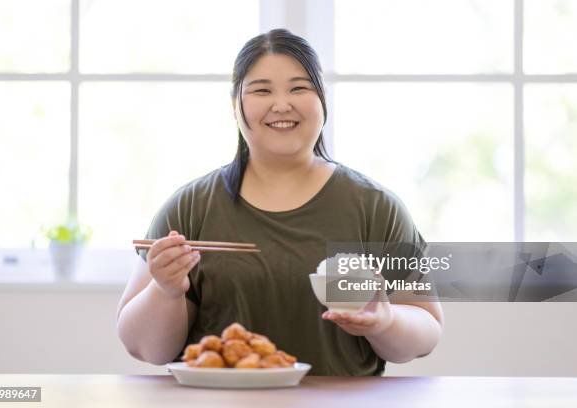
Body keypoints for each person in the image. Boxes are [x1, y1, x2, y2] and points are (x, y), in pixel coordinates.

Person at [116, 29, 443, 376]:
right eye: (261, 90)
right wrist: (165, 290)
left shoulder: (374, 207)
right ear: (235, 105)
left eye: (299, 88)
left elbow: (427, 331)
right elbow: (144, 348)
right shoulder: (190, 208)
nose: (282, 104)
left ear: (323, 100)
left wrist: (384, 322)